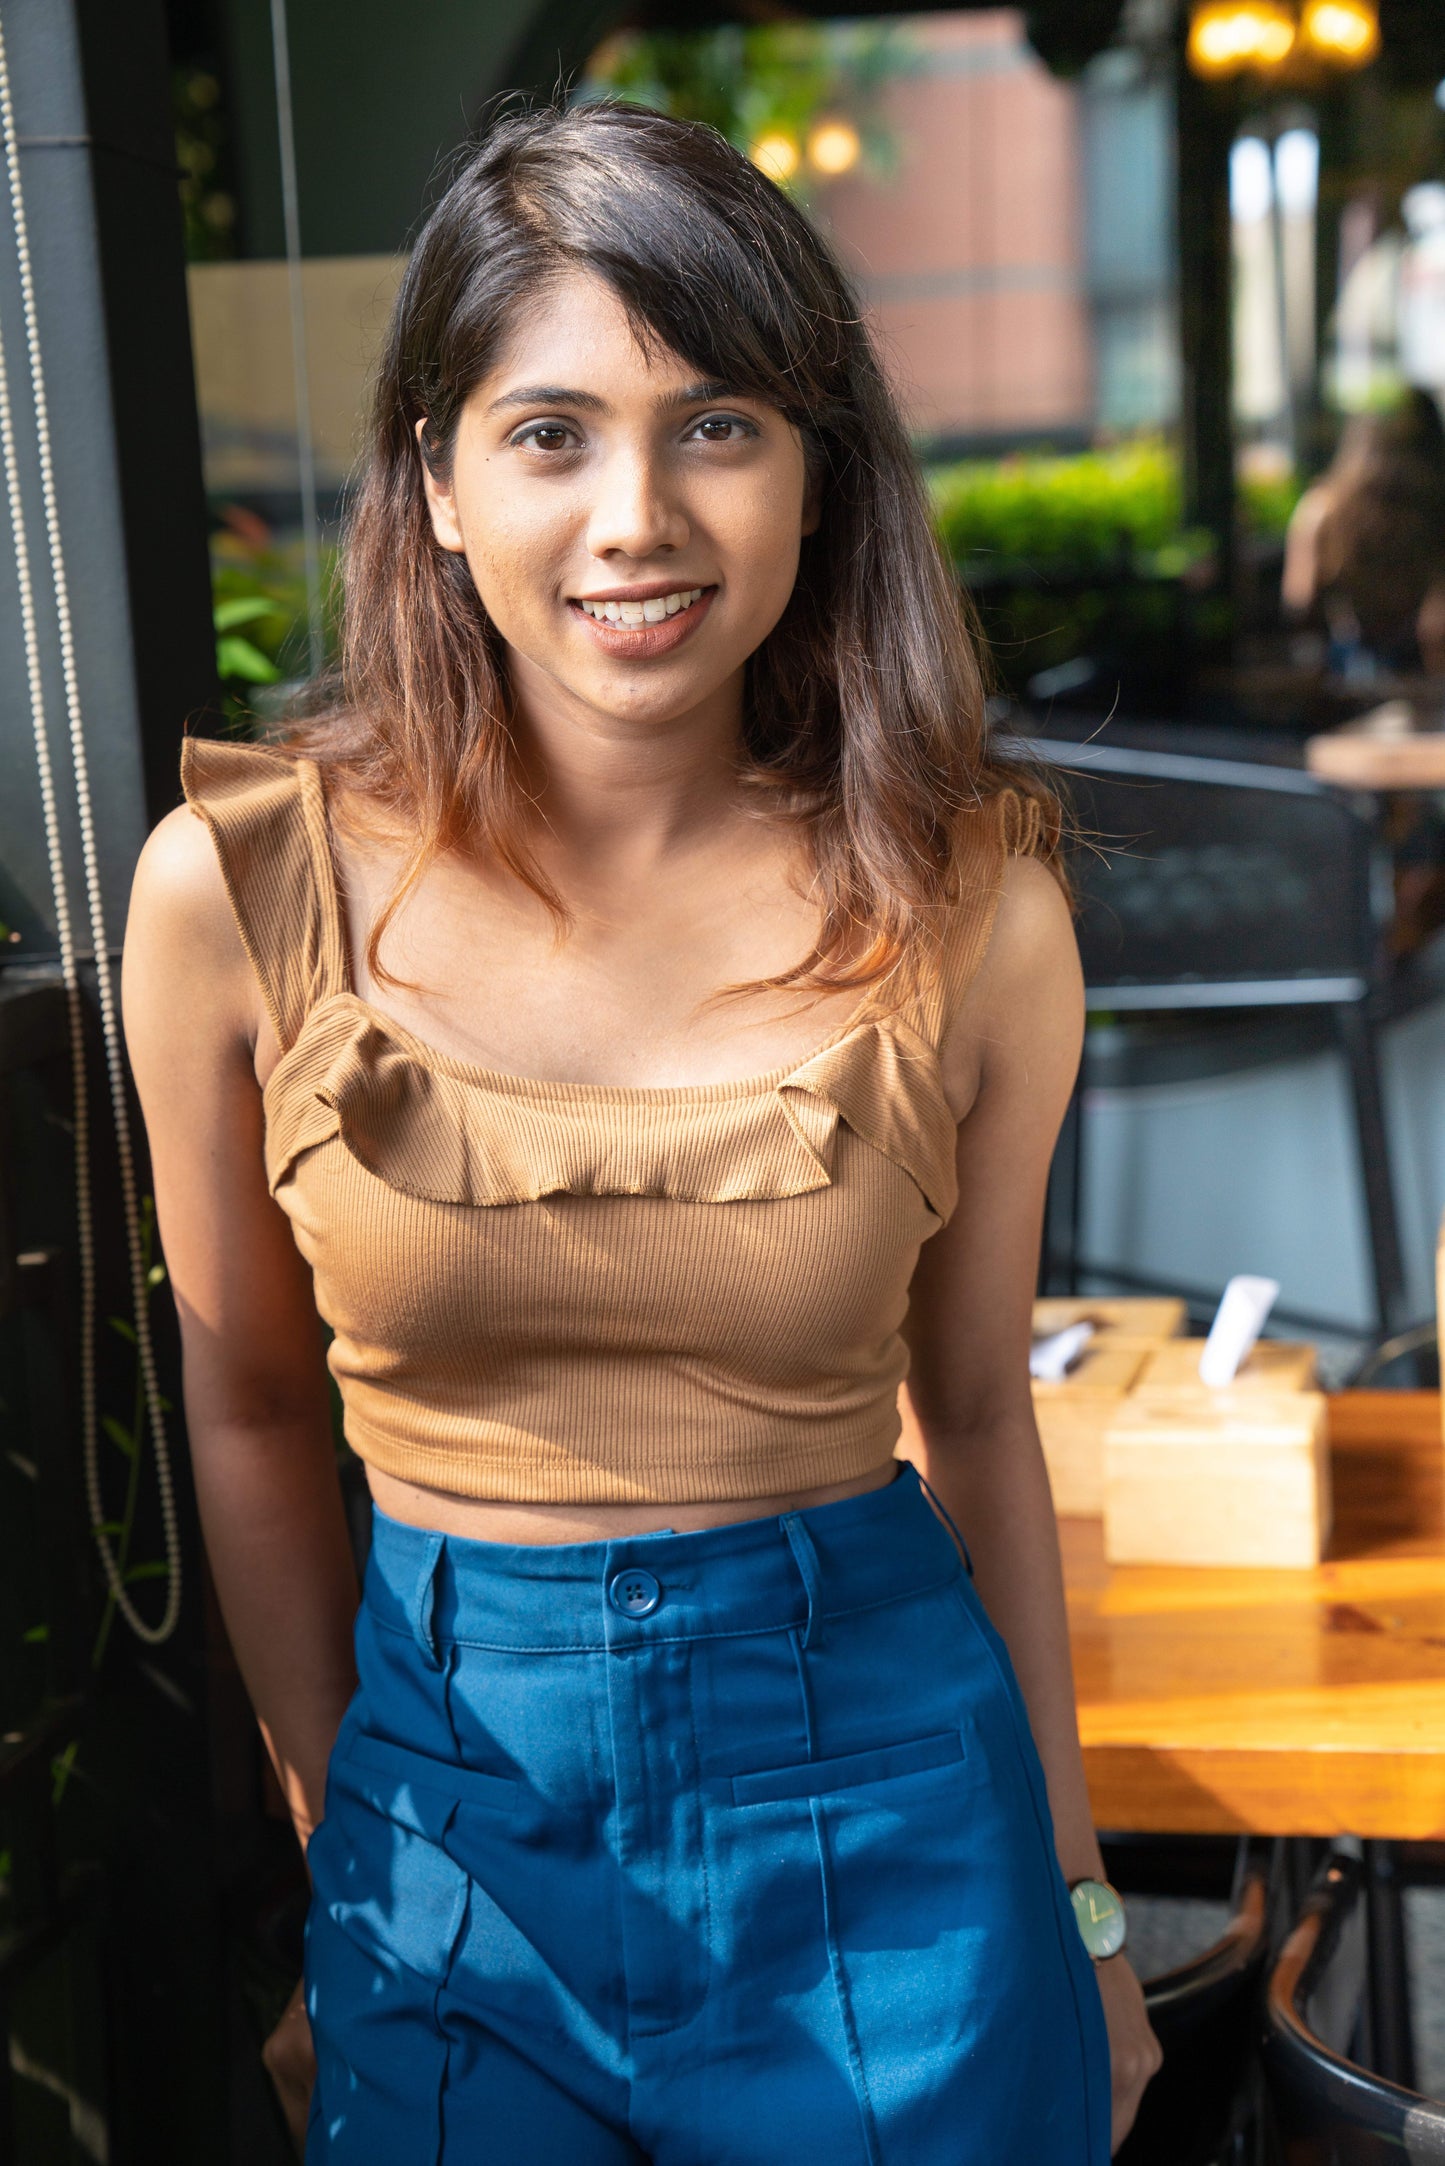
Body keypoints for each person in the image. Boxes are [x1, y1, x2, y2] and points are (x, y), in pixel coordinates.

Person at [123, 103, 1159, 2162]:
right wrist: (351, 1868)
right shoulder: (232, 892)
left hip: (888, 1815)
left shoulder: (975, 912)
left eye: (716, 428)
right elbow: (245, 1413)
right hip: (442, 1804)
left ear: (812, 477)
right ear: (430, 481)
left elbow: (973, 1417)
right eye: (547, 433)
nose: (634, 518)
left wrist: (1083, 1913)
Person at [1283, 387, 1445, 677]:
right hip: (1429, 677)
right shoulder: (1434, 508)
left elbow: (1300, 603)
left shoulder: (1322, 509)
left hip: (1351, 675)